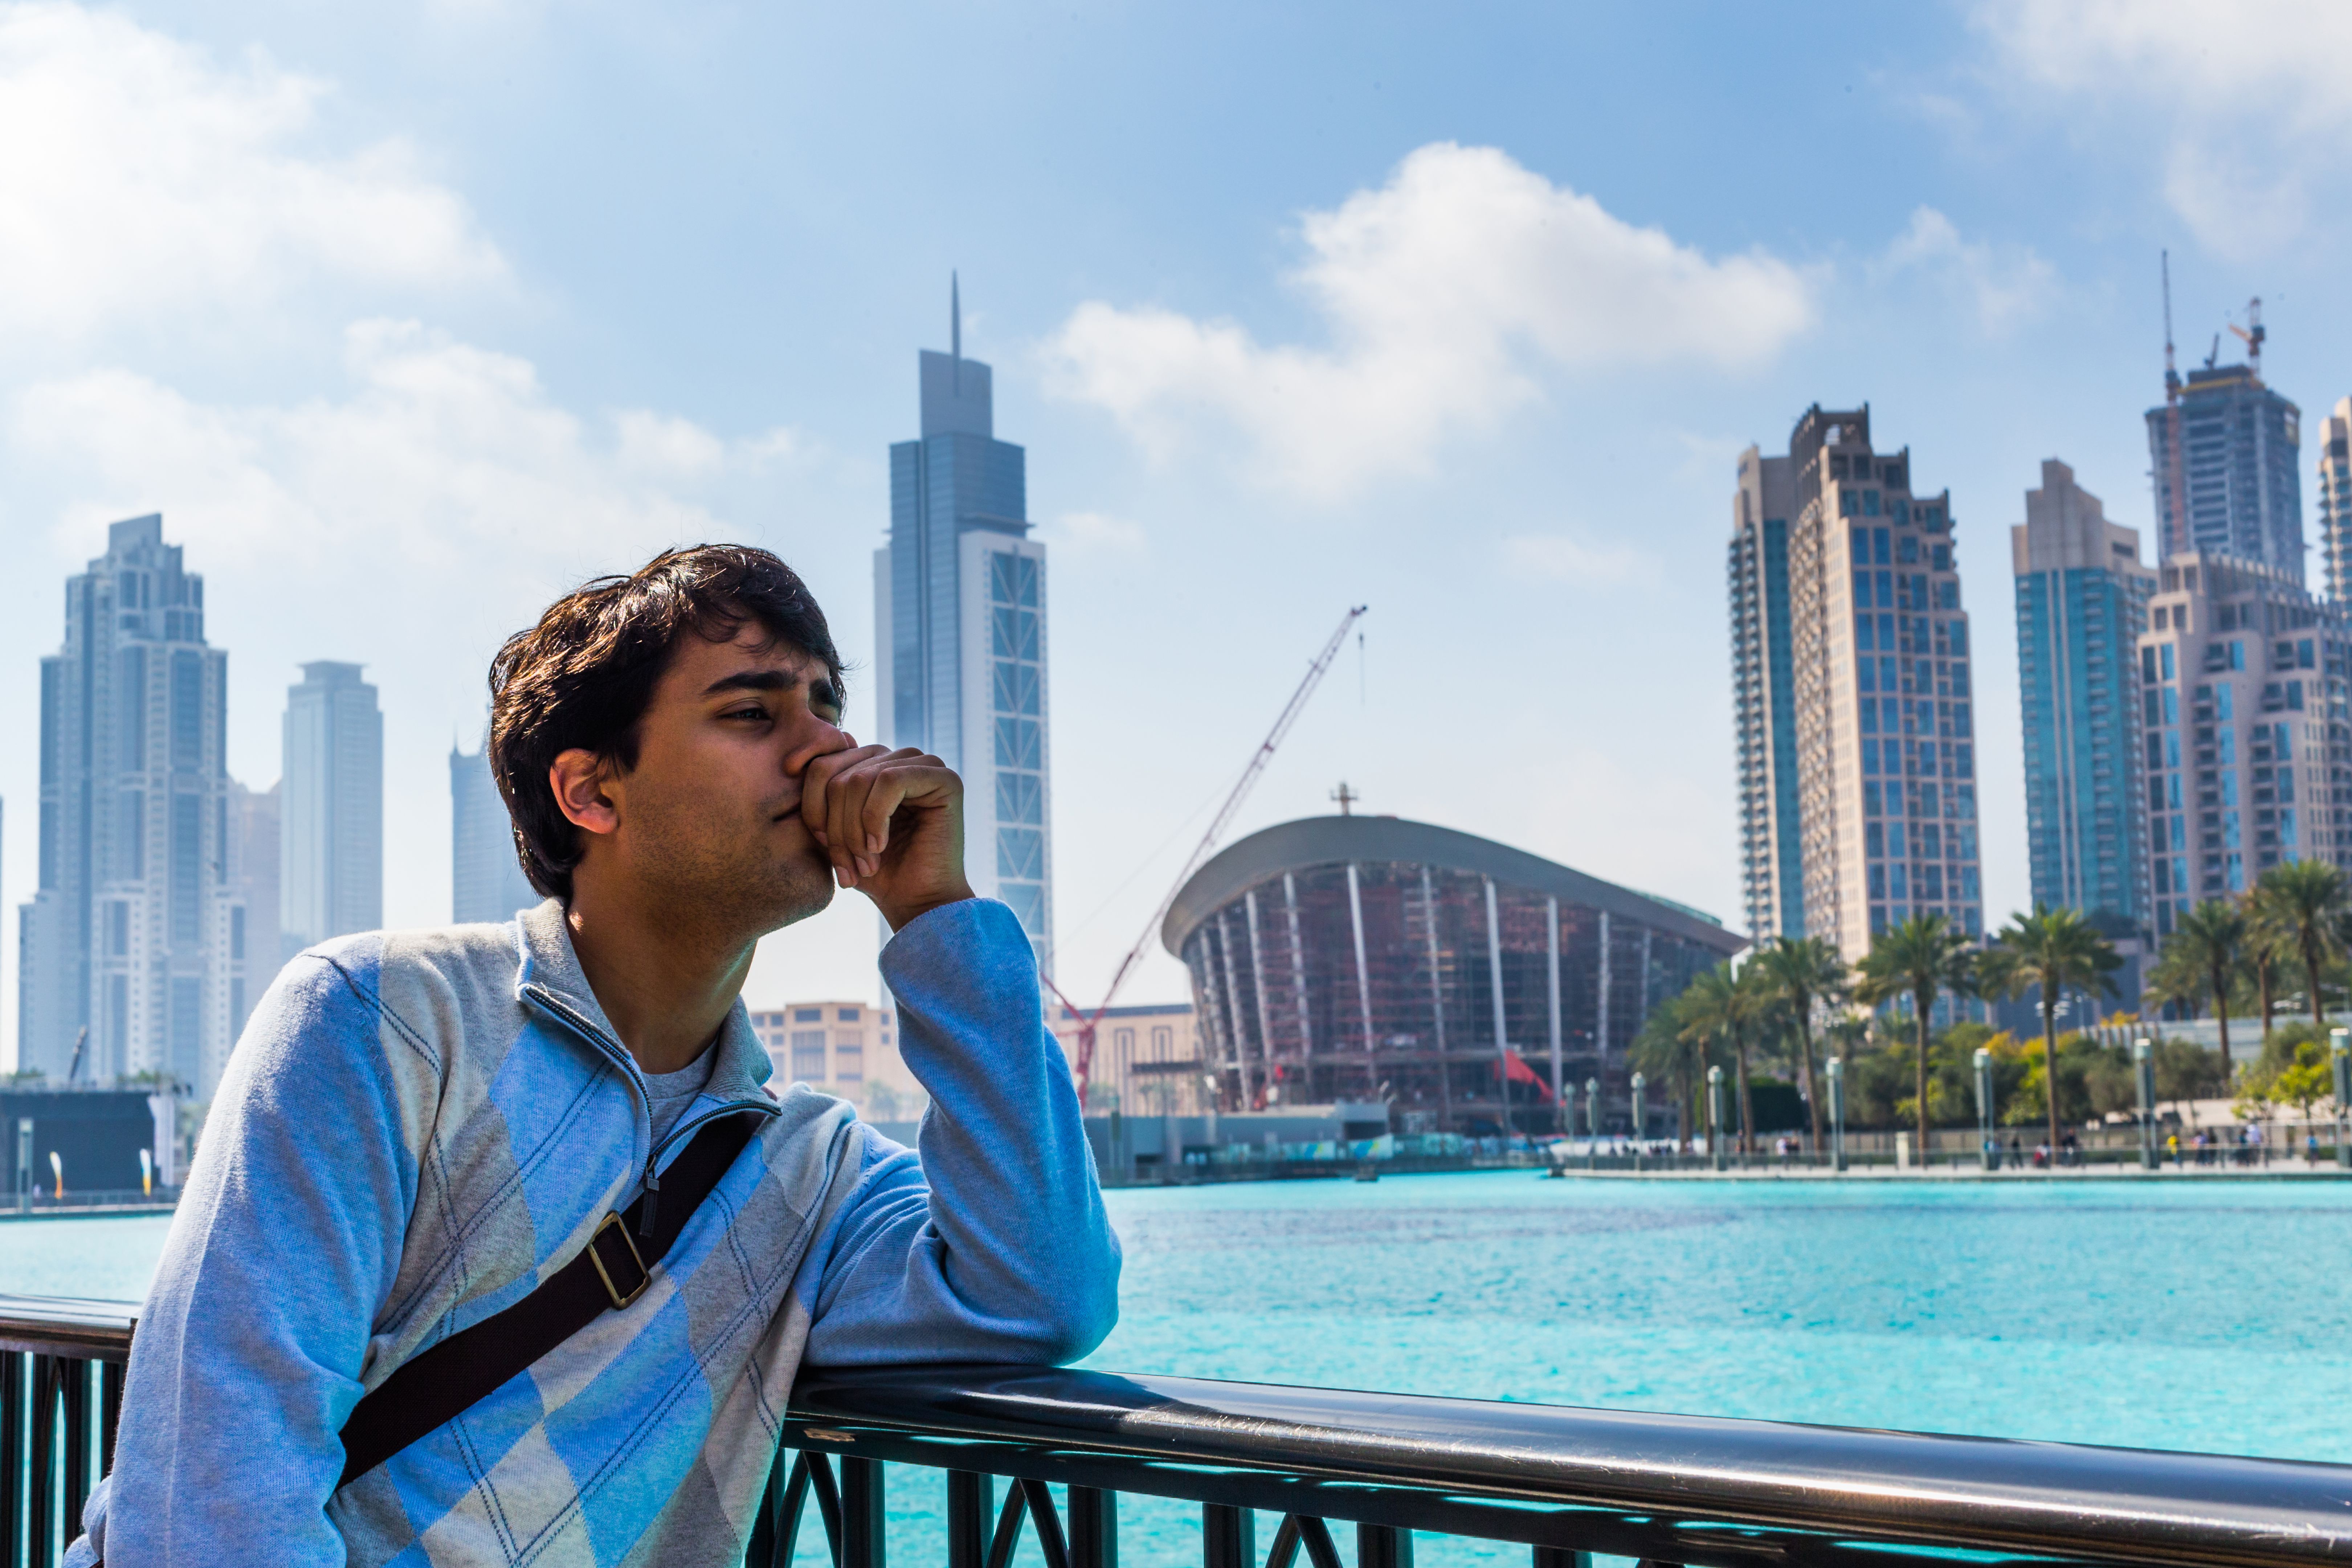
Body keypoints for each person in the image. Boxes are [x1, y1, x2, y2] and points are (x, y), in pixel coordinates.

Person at [70, 546, 1120, 1568]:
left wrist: (935, 914)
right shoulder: (381, 1020)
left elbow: (1043, 1295)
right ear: (590, 793)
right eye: (754, 713)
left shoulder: (812, 1172)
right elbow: (216, 1487)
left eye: (824, 707)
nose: (823, 753)